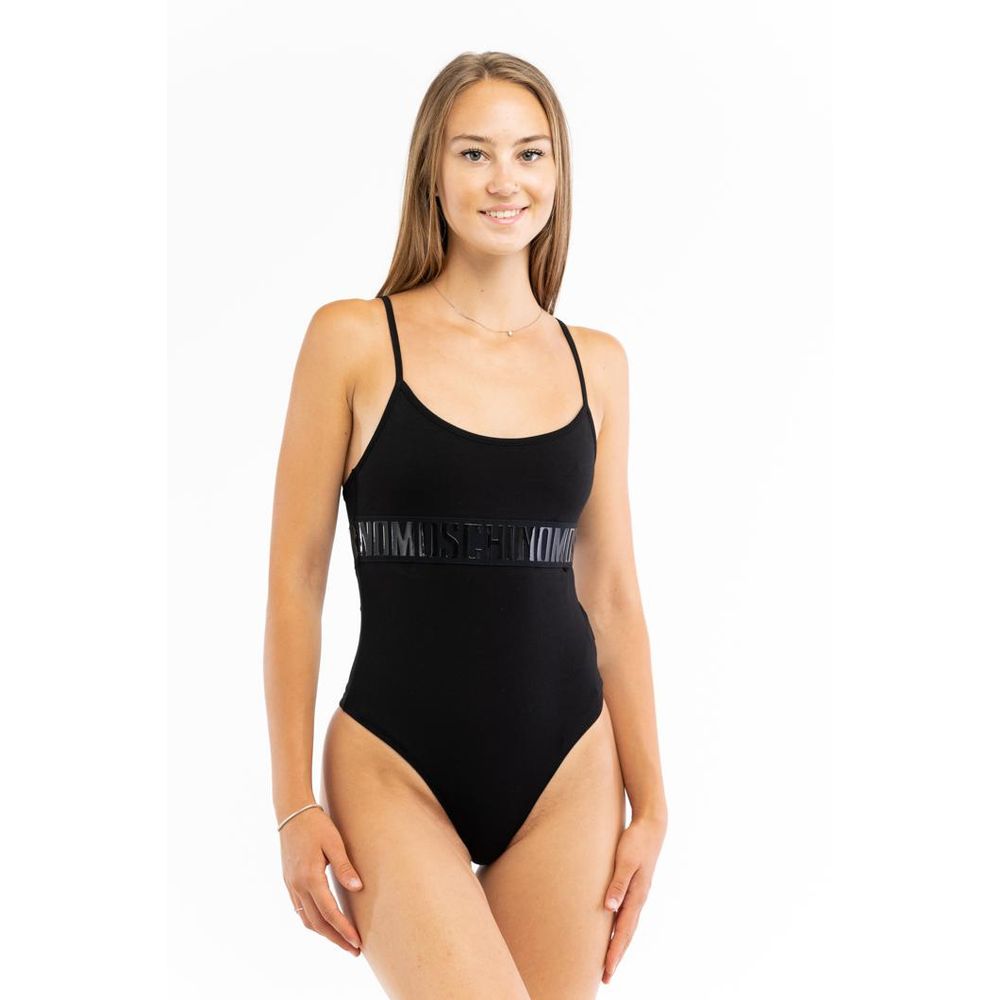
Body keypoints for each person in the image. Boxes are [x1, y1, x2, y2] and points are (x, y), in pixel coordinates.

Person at [264, 51, 667, 999]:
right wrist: (292, 804)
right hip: (393, 764)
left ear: (558, 173)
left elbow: (612, 594)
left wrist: (652, 806)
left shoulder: (598, 364)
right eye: (474, 153)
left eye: (530, 153)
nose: (504, 180)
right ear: (432, 174)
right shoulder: (353, 339)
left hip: (570, 769)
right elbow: (296, 580)